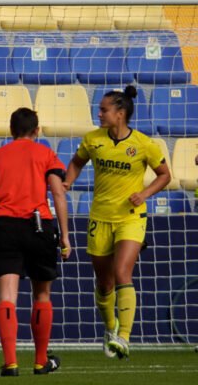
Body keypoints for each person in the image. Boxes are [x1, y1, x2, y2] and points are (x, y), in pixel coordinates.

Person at [65, 86, 172, 359]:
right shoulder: (93, 140)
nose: (99, 114)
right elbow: (76, 163)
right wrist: (67, 182)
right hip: (100, 217)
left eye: (104, 110)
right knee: (104, 283)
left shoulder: (144, 144)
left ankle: (124, 337)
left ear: (120, 113)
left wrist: (144, 194)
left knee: (123, 272)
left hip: (131, 217)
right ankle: (110, 328)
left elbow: (164, 175)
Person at [0, 108, 71, 377]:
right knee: (42, 294)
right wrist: (65, 236)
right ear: (36, 130)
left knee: (7, 297)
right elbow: (58, 194)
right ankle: (40, 362)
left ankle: (11, 363)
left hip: (5, 227)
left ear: (11, 129)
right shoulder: (46, 154)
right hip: (39, 226)